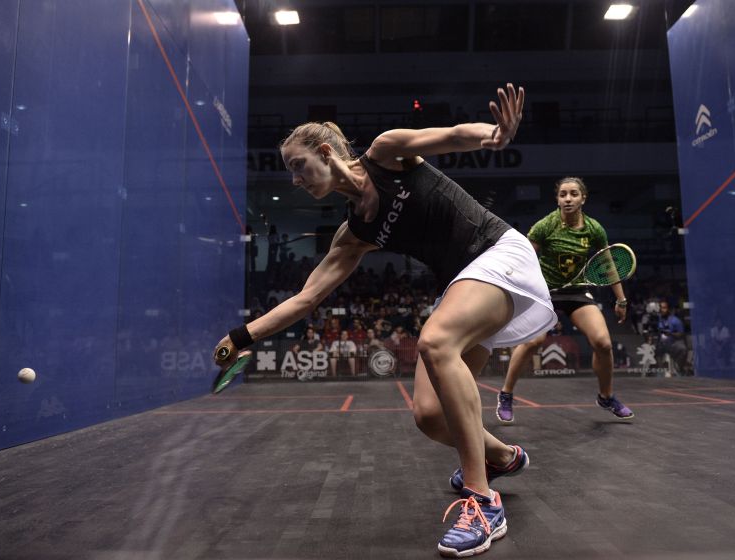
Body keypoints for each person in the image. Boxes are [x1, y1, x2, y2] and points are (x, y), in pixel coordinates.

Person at [213, 83, 556, 557]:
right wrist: (241, 335)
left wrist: (493, 135)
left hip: (497, 254)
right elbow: (306, 298)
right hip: (463, 285)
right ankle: (501, 456)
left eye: (298, 165)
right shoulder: (353, 234)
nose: (295, 178)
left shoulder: (386, 152)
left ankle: (482, 501)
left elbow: (454, 135)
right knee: (430, 417)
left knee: (435, 342)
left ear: (326, 151)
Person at [496, 177, 634, 424]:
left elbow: (608, 264)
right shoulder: (546, 225)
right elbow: (525, 256)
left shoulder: (594, 229)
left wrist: (621, 300)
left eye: (573, 194)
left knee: (603, 343)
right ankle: (506, 394)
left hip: (577, 292)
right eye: (562, 195)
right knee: (533, 341)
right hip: (545, 291)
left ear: (583, 198)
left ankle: (606, 396)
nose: (567, 199)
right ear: (557, 199)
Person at [657, 300, 687, 374]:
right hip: (661, 344)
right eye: (661, 307)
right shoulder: (657, 319)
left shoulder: (676, 320)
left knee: (683, 349)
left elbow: (681, 334)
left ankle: (678, 367)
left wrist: (670, 334)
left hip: (673, 343)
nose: (662, 310)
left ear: (668, 309)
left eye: (664, 308)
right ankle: (660, 371)